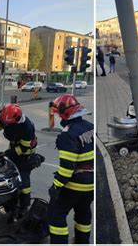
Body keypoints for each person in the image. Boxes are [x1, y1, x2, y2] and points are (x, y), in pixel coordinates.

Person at [48, 94, 94, 244]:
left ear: (64, 113)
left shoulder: (67, 135)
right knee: (83, 213)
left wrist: (56, 186)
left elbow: (67, 168)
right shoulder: (89, 127)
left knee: (56, 215)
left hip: (75, 185)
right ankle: (82, 241)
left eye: (58, 114)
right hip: (91, 184)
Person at [0, 104, 38, 214]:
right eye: (4, 122)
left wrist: (6, 154)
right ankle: (10, 202)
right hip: (14, 146)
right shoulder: (6, 118)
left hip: (26, 153)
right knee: (9, 175)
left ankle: (24, 207)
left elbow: (22, 149)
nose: (5, 124)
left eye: (7, 123)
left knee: (24, 181)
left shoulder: (26, 127)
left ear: (17, 119)